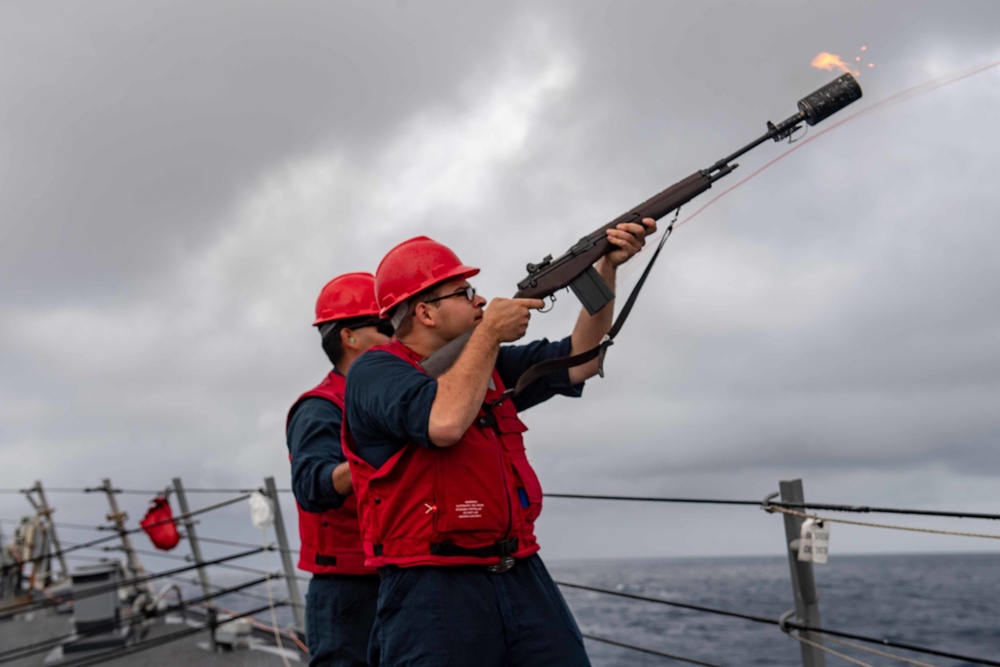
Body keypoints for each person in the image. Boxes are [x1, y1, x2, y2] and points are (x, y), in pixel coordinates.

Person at [342, 219, 655, 666]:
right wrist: (489, 333)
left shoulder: (486, 362)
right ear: (425, 312)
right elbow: (444, 423)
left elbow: (582, 360)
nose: (482, 299)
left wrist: (604, 269)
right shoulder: (375, 373)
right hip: (431, 584)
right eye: (464, 293)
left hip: (519, 568)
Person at [286, 272, 394, 667]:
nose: (395, 335)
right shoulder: (320, 407)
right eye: (385, 326)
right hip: (347, 589)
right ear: (349, 337)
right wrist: (379, 452)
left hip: (393, 575)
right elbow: (311, 485)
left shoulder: (390, 398)